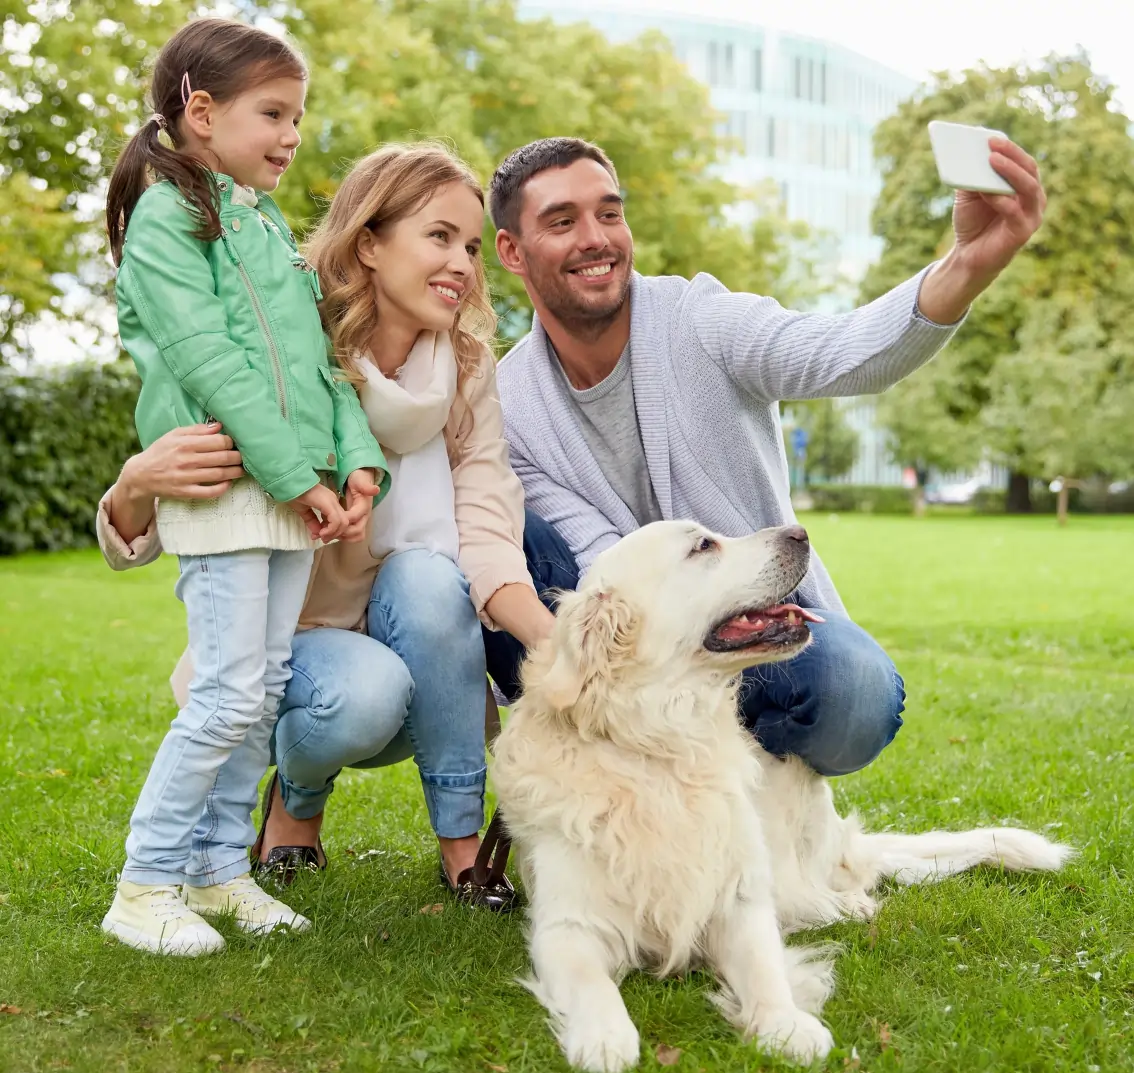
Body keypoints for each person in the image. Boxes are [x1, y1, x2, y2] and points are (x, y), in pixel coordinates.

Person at [481, 136, 1046, 777]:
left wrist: (966, 265)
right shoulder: (513, 405)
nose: (596, 238)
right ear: (511, 251)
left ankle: (730, 792)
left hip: (758, 625)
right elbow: (601, 565)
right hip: (632, 652)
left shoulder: (699, 318)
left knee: (857, 691)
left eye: (610, 213)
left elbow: (841, 349)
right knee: (502, 530)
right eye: (562, 221)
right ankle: (614, 774)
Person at [97, 142, 552, 913]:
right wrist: (136, 483)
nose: (463, 265)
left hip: (417, 637)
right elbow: (205, 498)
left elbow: (484, 514)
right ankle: (293, 808)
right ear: (369, 243)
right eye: (438, 237)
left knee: (433, 575)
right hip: (295, 646)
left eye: (472, 246)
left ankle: (463, 850)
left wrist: (553, 645)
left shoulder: (466, 367)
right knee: (364, 693)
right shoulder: (291, 343)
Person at [99, 18, 387, 956]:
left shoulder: (265, 223)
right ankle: (145, 884)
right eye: (274, 113)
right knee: (225, 695)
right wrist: (296, 476)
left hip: (284, 485)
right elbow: (212, 364)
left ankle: (221, 871)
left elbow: (324, 366)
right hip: (227, 480)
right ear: (202, 110)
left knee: (260, 696)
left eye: (297, 116)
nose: (292, 135)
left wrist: (355, 462)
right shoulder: (170, 217)